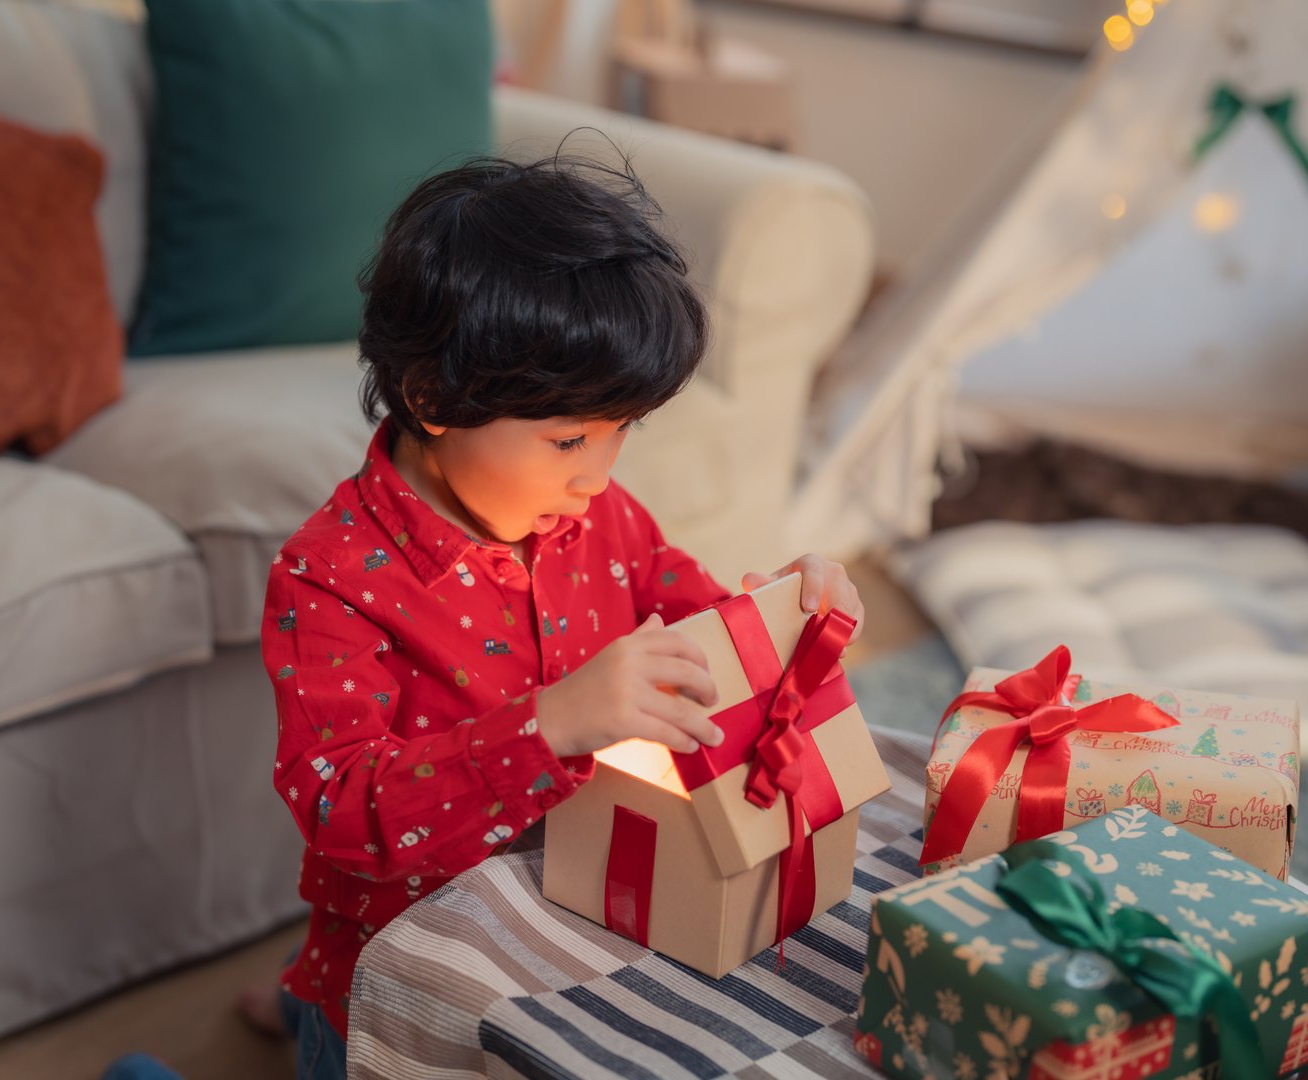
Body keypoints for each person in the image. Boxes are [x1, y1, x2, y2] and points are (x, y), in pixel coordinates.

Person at [257, 150, 865, 1078]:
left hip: (569, 928)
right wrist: (553, 723)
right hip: (401, 971)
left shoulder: (596, 516)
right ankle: (290, 1005)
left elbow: (697, 622)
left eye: (623, 431)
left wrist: (783, 610)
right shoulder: (329, 579)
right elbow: (342, 809)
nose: (599, 475)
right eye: (570, 439)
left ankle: (281, 996)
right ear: (432, 400)